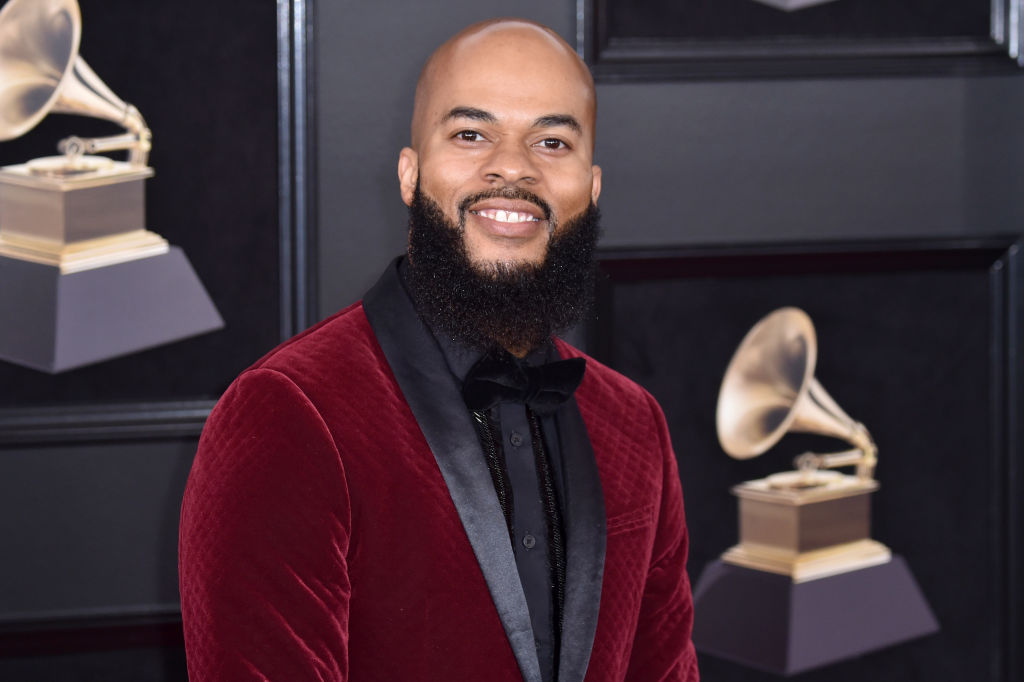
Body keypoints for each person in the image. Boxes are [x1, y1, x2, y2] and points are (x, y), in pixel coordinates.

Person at [179, 18, 698, 682]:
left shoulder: (636, 425)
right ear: (410, 173)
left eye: (551, 140)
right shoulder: (287, 412)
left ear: (591, 189)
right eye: (471, 135)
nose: (512, 166)